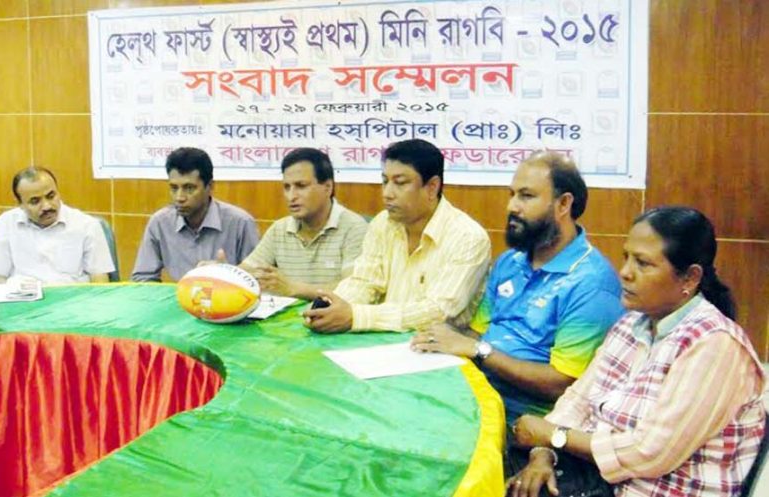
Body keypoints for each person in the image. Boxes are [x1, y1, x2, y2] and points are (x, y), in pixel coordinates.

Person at [507, 206, 765, 497]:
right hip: (597, 479)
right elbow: (579, 401)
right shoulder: (632, 323)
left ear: (690, 278)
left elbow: (650, 452)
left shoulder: (715, 345)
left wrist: (553, 436)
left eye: (643, 263)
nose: (626, 273)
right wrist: (544, 454)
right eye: (626, 257)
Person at [411, 151, 624, 427]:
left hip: (526, 420)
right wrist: (440, 339)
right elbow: (479, 332)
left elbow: (563, 385)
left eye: (526, 196)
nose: (512, 206)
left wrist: (479, 350)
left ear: (563, 204)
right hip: (474, 393)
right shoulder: (510, 262)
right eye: (511, 194)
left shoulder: (591, 282)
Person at [303, 138, 490, 333]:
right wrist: (332, 307)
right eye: (385, 181)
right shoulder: (382, 224)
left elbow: (438, 312)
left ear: (432, 187)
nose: (387, 193)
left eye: (400, 183)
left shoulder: (468, 238)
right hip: (381, 340)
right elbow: (365, 282)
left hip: (439, 350)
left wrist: (356, 316)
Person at [239, 148, 368, 299]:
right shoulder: (279, 229)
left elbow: (355, 290)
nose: (291, 196)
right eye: (287, 187)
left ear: (328, 187)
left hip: (332, 320)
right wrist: (223, 273)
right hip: (284, 321)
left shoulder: (354, 228)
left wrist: (293, 288)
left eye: (301, 186)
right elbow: (248, 271)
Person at [131, 147, 259, 282]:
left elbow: (257, 280)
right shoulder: (160, 223)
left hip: (228, 300)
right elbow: (143, 278)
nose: (179, 197)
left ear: (209, 186)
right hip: (179, 300)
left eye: (189, 188)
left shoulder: (240, 223)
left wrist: (228, 275)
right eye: (174, 188)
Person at [0, 166, 114, 284]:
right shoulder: (5, 223)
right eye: (35, 201)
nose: (46, 206)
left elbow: (100, 281)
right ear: (20, 204)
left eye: (51, 196)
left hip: (72, 302)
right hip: (23, 303)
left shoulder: (87, 225)